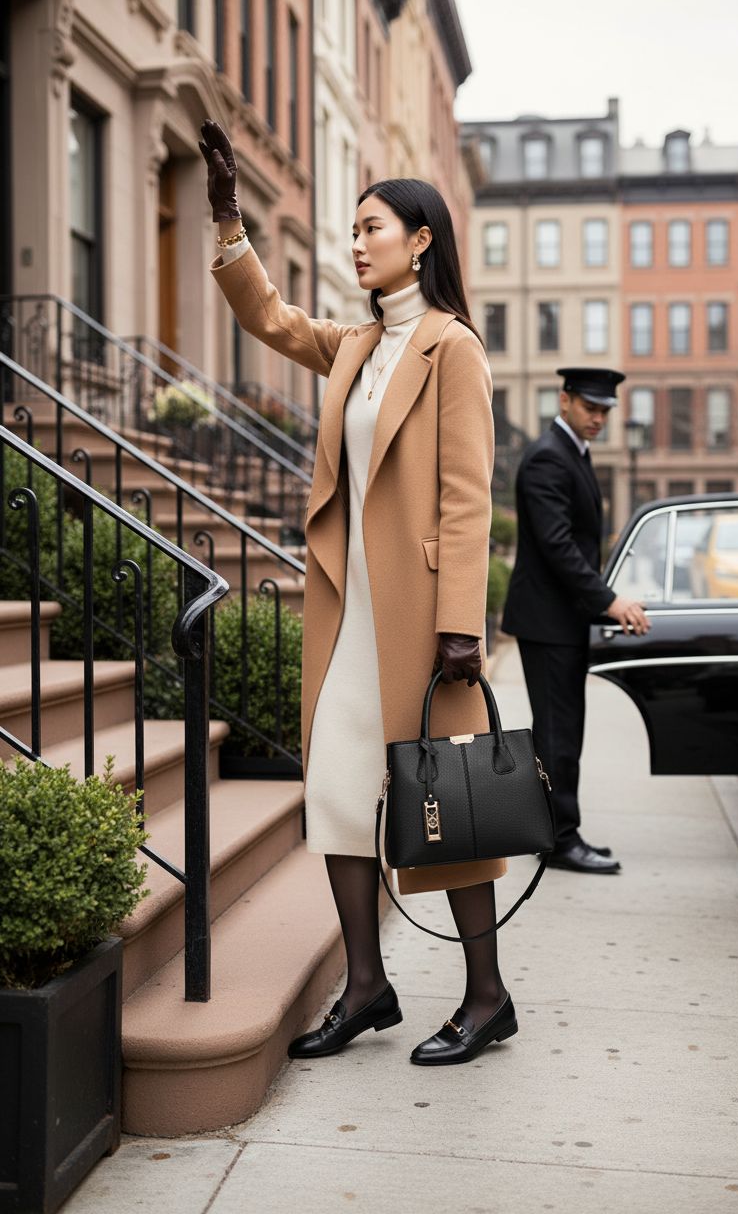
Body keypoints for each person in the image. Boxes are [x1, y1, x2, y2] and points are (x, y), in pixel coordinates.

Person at [200, 120, 516, 1066]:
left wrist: (462, 621)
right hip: (347, 612)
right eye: (351, 229)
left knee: (444, 802)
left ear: (421, 239)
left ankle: (488, 995)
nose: (354, 242)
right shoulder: (356, 345)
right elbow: (269, 318)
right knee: (338, 789)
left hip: (423, 619)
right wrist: (228, 221)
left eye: (370, 227)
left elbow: (468, 496)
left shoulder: (450, 347)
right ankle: (367, 985)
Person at [501, 367, 649, 874]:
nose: (599, 419)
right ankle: (559, 841)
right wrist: (609, 601)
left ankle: (560, 832)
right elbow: (558, 546)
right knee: (558, 736)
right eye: (590, 408)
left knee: (564, 732)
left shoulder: (571, 455)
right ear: (564, 401)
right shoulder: (548, 457)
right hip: (547, 621)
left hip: (559, 619)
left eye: (605, 411)